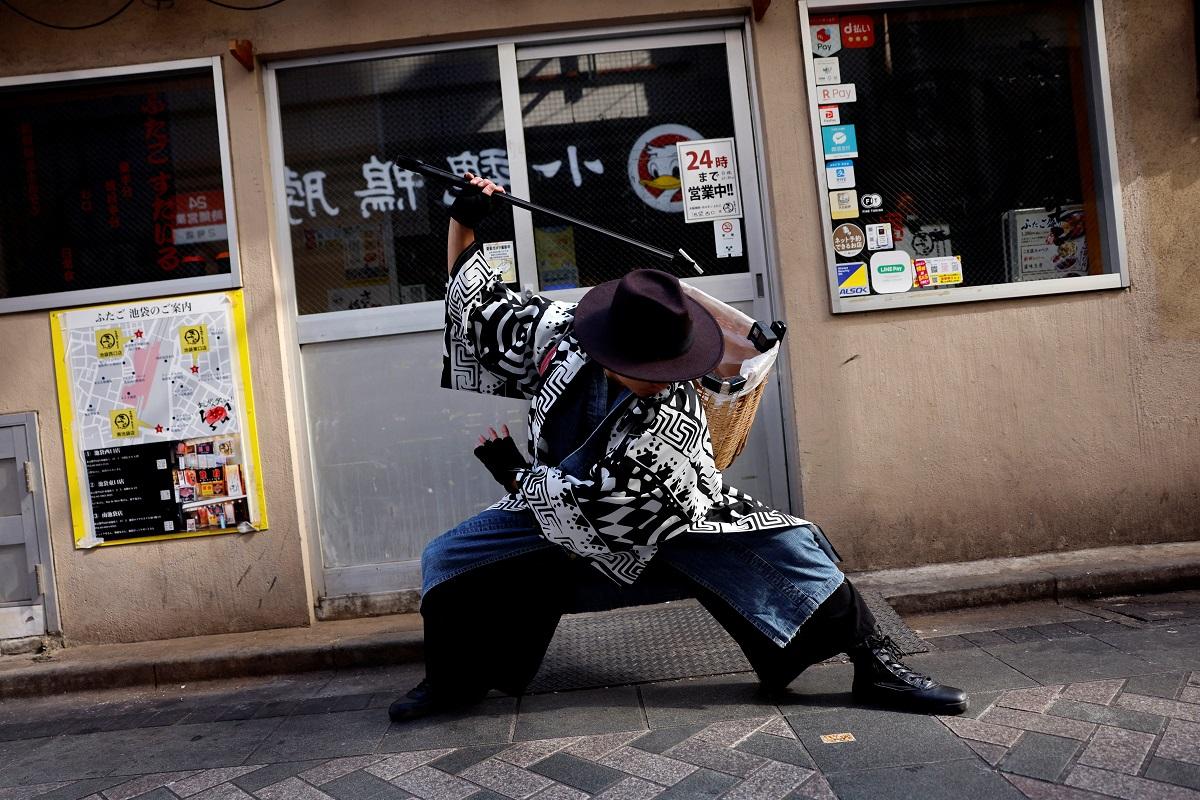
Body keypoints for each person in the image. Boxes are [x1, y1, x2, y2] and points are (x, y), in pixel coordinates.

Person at [389, 174, 968, 721]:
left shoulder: (676, 426)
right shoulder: (561, 331)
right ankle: (450, 682)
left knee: (794, 547)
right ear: (611, 346)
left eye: (676, 364)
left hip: (664, 513)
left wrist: (518, 476)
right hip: (555, 502)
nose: (670, 376)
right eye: (654, 368)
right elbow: (480, 308)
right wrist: (465, 219)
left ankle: (878, 668)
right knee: (448, 557)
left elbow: (604, 516)